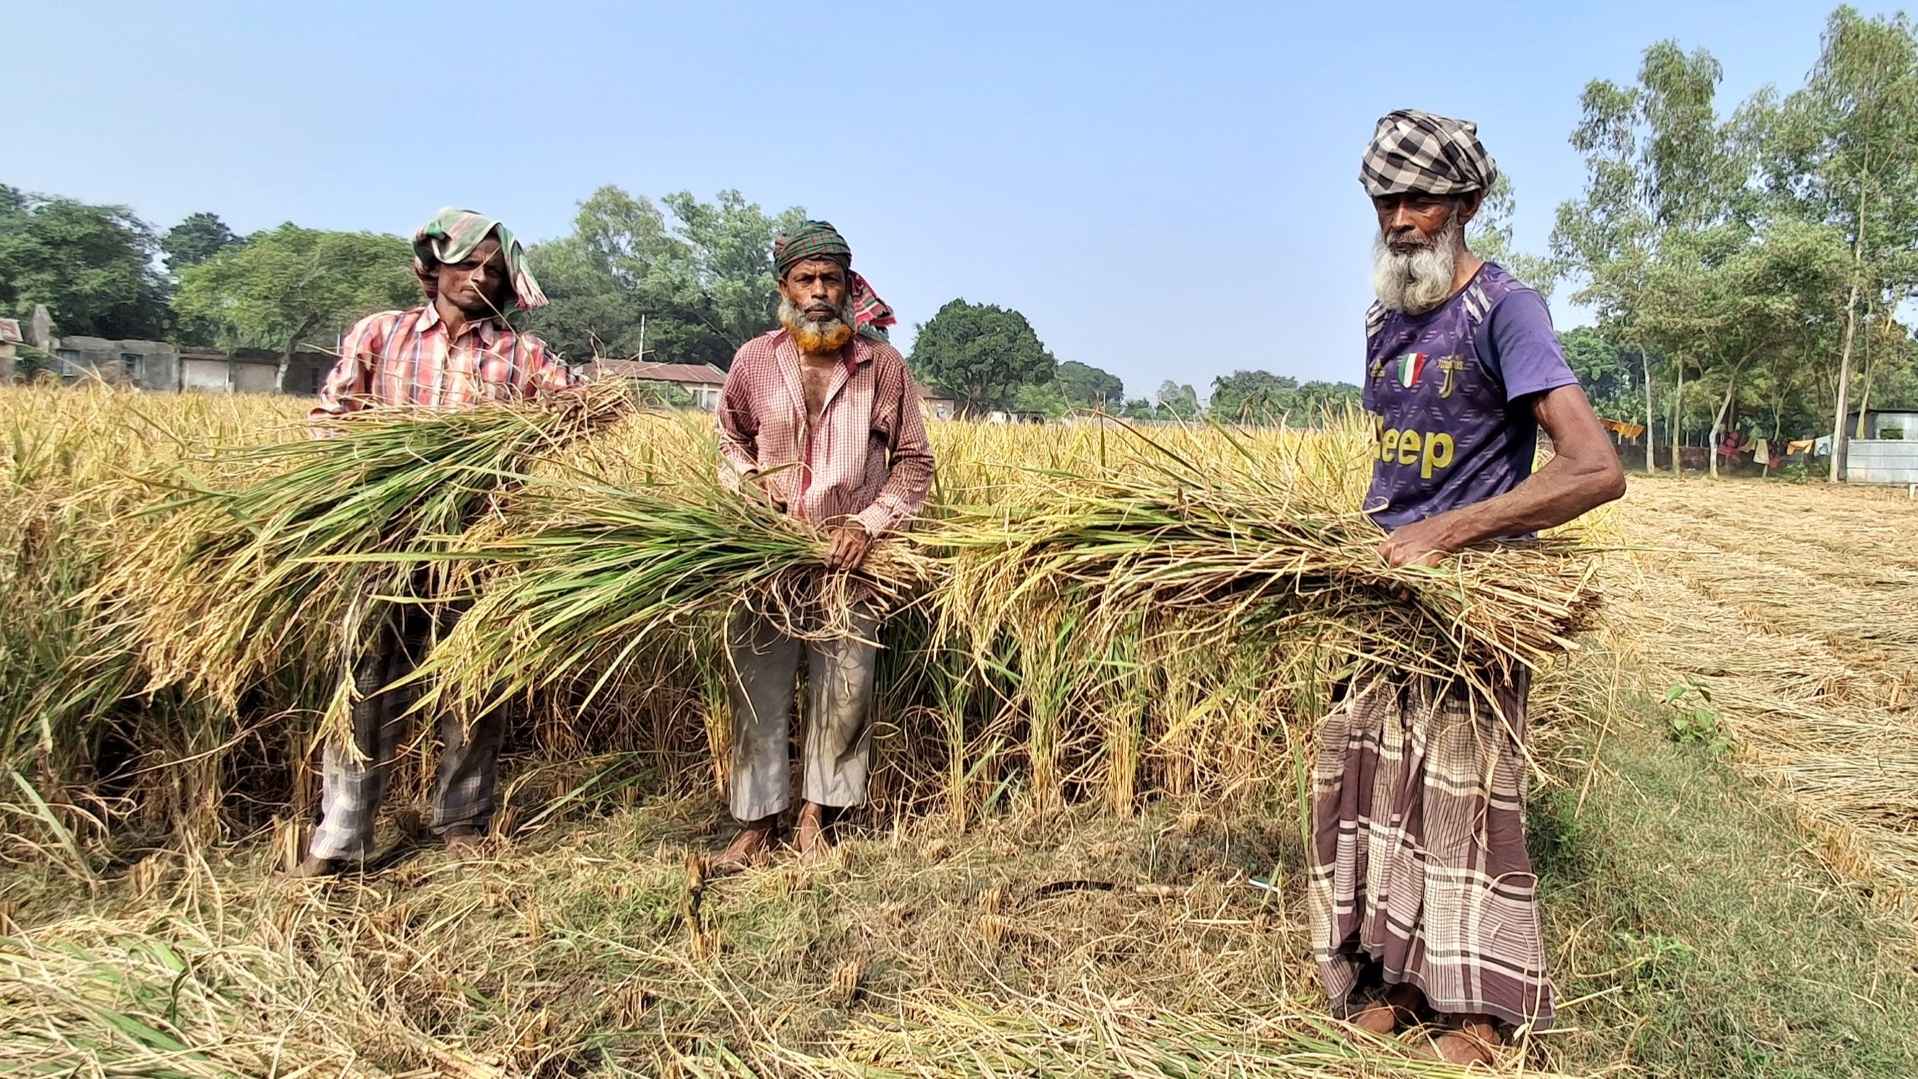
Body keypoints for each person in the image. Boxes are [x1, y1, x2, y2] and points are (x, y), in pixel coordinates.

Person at [1310, 111, 1626, 1063]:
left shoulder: (1505, 310)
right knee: (1377, 786)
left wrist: (1447, 533)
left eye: (1420, 199)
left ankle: (1476, 1006)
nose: (1400, 217)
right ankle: (1396, 977)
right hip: (1385, 591)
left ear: (1468, 204)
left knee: (1460, 796)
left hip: (1469, 591)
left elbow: (1593, 467)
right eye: (1384, 200)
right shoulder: (1379, 317)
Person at [296, 208, 578, 877]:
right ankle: (345, 831)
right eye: (467, 263)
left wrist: (532, 435)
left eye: (493, 270)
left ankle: (462, 820)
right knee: (365, 685)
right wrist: (386, 461)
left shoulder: (521, 353)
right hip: (383, 542)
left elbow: (585, 408)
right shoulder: (381, 335)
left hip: (480, 546)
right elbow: (328, 422)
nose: (479, 277)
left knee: (475, 685)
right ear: (434, 267)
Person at [712, 220, 933, 868]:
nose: (818, 290)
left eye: (830, 278)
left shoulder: (881, 366)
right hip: (768, 558)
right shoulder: (755, 360)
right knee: (757, 684)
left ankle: (817, 816)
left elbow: (914, 462)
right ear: (785, 286)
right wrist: (752, 492)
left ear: (848, 285)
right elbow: (728, 440)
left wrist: (869, 524)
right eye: (805, 278)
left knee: (844, 689)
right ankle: (757, 823)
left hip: (851, 557)